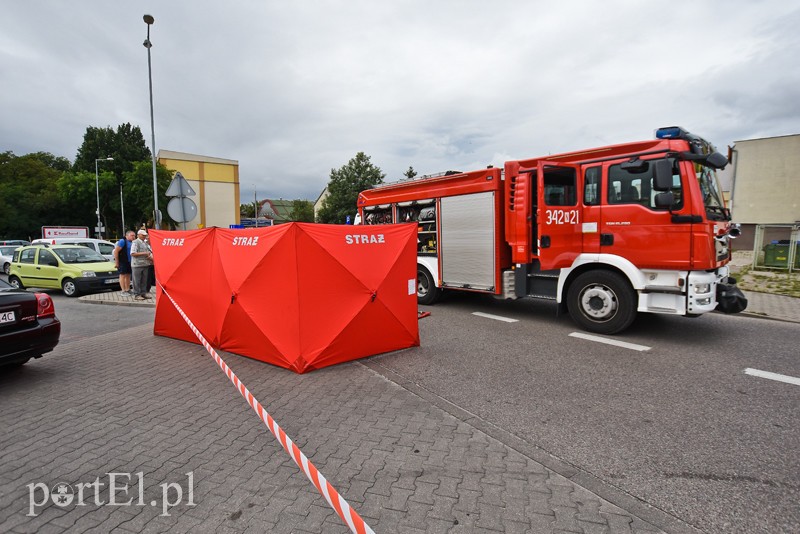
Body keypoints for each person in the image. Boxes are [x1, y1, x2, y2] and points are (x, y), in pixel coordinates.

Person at [130, 229, 154, 300]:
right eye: (143, 235)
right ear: (138, 235)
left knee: (144, 281)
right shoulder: (135, 242)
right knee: (136, 281)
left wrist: (150, 257)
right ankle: (137, 295)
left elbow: (150, 251)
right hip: (137, 265)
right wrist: (145, 253)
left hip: (145, 264)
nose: (144, 236)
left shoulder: (145, 243)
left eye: (145, 235)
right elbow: (133, 253)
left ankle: (143, 293)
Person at [114, 230, 135, 295]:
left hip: (129, 261)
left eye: (134, 235)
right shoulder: (122, 241)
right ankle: (123, 290)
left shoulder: (132, 242)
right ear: (127, 236)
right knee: (122, 275)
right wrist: (117, 262)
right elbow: (116, 251)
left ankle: (127, 289)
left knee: (128, 275)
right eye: (132, 235)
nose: (133, 237)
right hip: (123, 261)